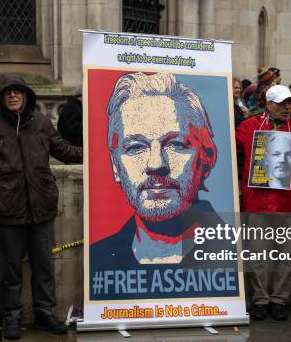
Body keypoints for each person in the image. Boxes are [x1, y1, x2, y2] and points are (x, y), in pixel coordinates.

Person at [0, 74, 82, 339]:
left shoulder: (41, 122)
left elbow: (63, 150)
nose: (13, 96)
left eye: (18, 91)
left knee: (44, 266)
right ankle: (12, 316)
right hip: (8, 209)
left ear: (27, 95)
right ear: (2, 97)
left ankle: (44, 313)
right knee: (11, 269)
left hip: (42, 207)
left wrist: (93, 150)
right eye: (8, 92)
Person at [90, 72, 222, 267]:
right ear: (115, 165)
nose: (156, 164)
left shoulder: (233, 250)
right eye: (136, 147)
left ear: (207, 157)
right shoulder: (98, 260)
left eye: (175, 144)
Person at [236, 84, 291, 321]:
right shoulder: (248, 127)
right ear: (268, 104)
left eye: (289, 102)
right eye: (281, 103)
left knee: (285, 254)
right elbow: (228, 149)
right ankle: (261, 299)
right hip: (257, 202)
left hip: (288, 204)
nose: (287, 107)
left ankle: (279, 299)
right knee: (257, 254)